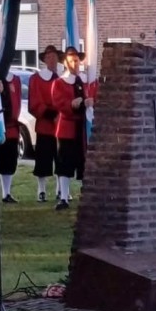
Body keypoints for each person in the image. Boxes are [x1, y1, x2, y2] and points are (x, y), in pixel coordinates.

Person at [52, 46, 91, 211]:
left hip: (80, 128)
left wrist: (88, 102)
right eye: (72, 61)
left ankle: (85, 195)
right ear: (65, 63)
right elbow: (58, 102)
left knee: (83, 161)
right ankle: (63, 197)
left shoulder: (81, 81)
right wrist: (71, 104)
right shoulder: (59, 83)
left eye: (77, 61)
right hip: (66, 128)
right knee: (65, 163)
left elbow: (87, 97)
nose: (75, 64)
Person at [28, 45, 62, 202]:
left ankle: (60, 190)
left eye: (54, 56)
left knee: (61, 160)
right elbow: (34, 103)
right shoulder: (36, 79)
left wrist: (60, 114)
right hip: (44, 125)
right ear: (44, 59)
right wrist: (51, 114)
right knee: (42, 161)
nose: (52, 59)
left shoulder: (61, 77)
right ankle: (41, 191)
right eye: (49, 57)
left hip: (61, 126)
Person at [0, 70, 23, 203]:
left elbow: (17, 100)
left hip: (11, 128)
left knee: (9, 162)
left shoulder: (15, 80)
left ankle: (6, 193)